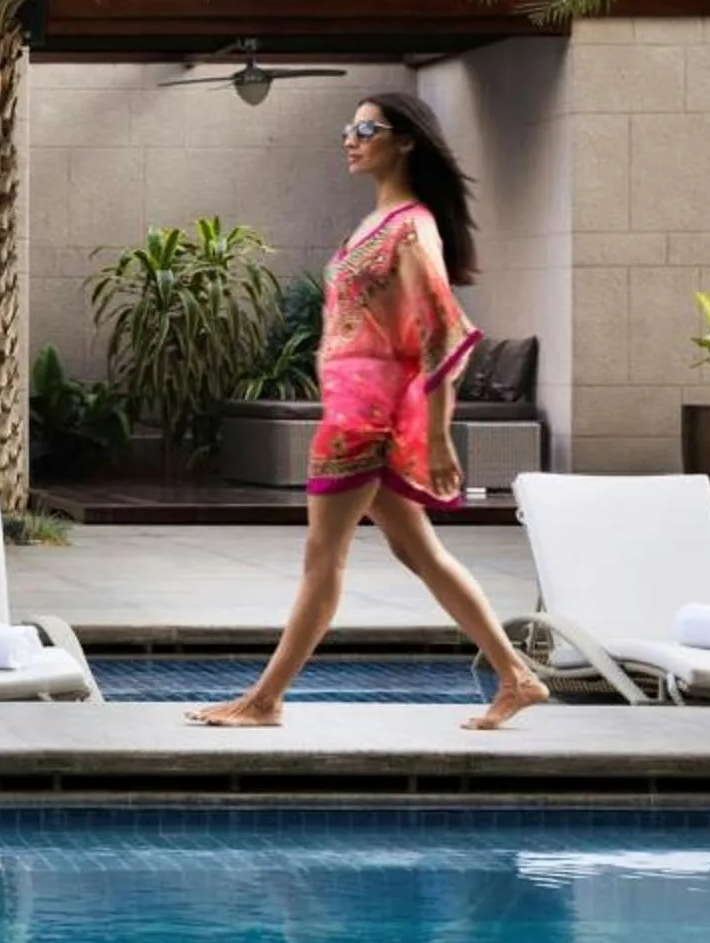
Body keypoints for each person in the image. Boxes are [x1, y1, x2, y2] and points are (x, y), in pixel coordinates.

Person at [191, 94, 546, 731]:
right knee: (420, 553)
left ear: (405, 141)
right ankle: (516, 675)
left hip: (366, 418)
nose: (350, 140)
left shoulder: (412, 227)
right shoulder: (377, 222)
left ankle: (265, 700)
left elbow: (441, 327)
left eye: (365, 129)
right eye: (347, 129)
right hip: (356, 407)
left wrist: (439, 437)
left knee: (323, 557)